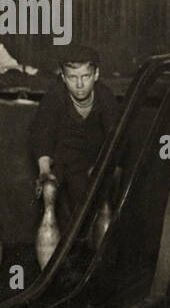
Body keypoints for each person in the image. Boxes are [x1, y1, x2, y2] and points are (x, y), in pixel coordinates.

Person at [28, 44, 123, 233]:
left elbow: (117, 140)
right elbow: (42, 135)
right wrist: (45, 172)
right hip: (63, 161)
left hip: (96, 160)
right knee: (52, 197)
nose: (80, 85)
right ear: (63, 77)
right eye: (72, 78)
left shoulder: (106, 98)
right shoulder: (54, 97)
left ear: (96, 75)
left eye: (85, 77)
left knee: (98, 206)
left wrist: (104, 167)